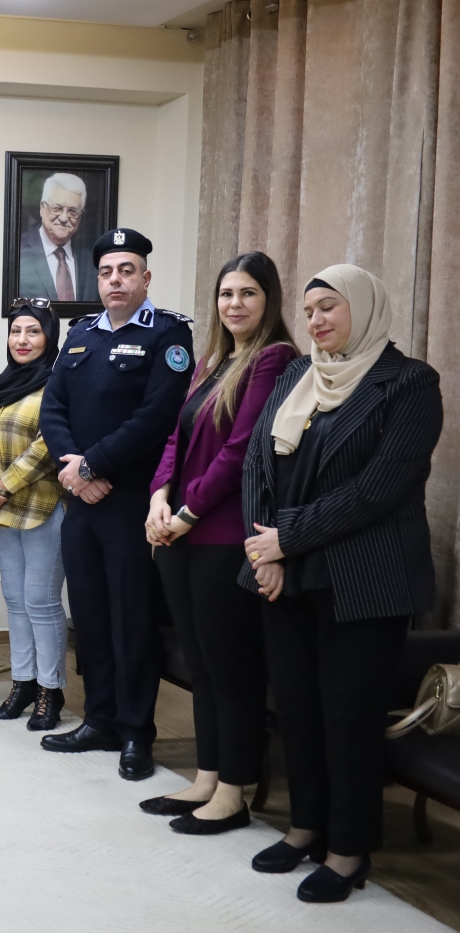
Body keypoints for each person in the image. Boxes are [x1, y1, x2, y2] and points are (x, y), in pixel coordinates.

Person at [240, 265, 442, 903]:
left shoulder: (409, 383)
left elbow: (380, 489)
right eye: (310, 310)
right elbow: (256, 461)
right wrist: (264, 550)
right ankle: (305, 828)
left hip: (365, 579)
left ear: (364, 307)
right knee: (295, 708)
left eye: (331, 307)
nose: (318, 320)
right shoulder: (301, 374)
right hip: (287, 572)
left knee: (348, 717)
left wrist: (285, 539)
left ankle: (349, 849)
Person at [139, 252, 297, 834]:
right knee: (200, 663)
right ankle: (208, 776)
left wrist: (183, 513)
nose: (235, 304)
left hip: (225, 534)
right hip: (181, 530)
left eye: (248, 293)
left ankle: (235, 790)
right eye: (227, 294)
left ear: (269, 301)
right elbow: (176, 442)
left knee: (230, 667)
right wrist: (158, 497)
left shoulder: (276, 360)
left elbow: (240, 452)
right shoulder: (213, 361)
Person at [37, 227, 194, 781]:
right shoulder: (81, 335)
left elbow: (157, 418)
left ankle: (135, 732)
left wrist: (93, 465)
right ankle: (98, 718)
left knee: (132, 619)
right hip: (81, 500)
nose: (115, 280)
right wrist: (73, 469)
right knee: (92, 616)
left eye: (127, 270)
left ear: (145, 277)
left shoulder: (168, 336)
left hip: (131, 503)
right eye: (106, 272)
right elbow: (52, 408)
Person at [0, 300, 68, 730]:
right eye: (15, 332)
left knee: (42, 602)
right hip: (0, 507)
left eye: (33, 332)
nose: (22, 340)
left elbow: (50, 444)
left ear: (49, 338)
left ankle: (51, 691)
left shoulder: (58, 383)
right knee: (15, 599)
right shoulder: (1, 385)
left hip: (44, 505)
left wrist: (5, 485)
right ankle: (23, 683)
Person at [19, 173, 96, 304]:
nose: (64, 218)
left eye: (72, 211)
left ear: (80, 216)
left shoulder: (91, 260)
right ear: (42, 208)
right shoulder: (18, 252)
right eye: (57, 208)